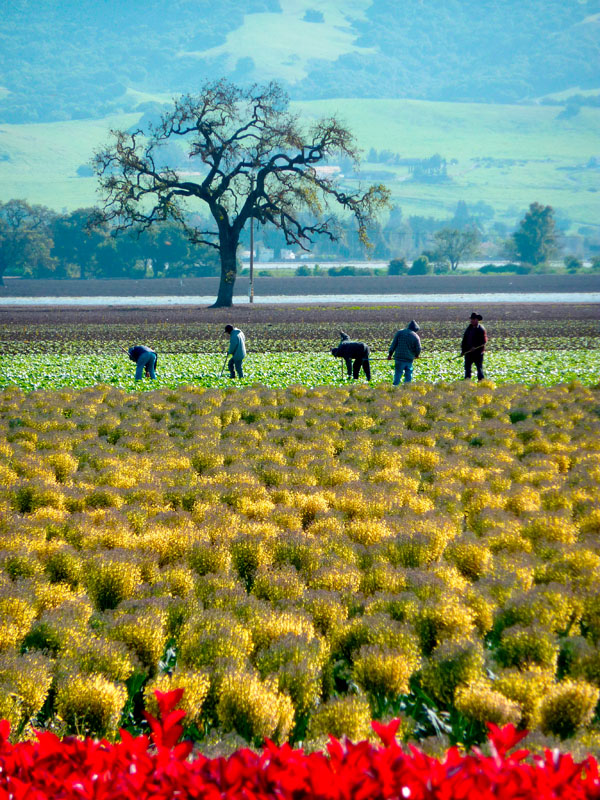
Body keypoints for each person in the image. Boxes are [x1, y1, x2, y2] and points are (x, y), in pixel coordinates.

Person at [387, 320, 421, 384]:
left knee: (398, 374)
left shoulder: (399, 333)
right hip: (409, 359)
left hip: (399, 358)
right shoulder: (415, 336)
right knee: (408, 375)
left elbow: (393, 345)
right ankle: (406, 388)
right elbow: (418, 348)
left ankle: (395, 387)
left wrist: (390, 355)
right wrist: (417, 355)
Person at [461, 312, 487, 381]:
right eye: (471, 319)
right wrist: (463, 351)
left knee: (479, 369)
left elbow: (483, 342)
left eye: (473, 319)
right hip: (468, 353)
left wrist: (475, 348)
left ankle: (481, 382)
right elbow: (464, 340)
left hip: (478, 354)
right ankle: (467, 382)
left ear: (477, 320)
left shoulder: (481, 329)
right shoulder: (468, 329)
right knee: (467, 369)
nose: (472, 321)